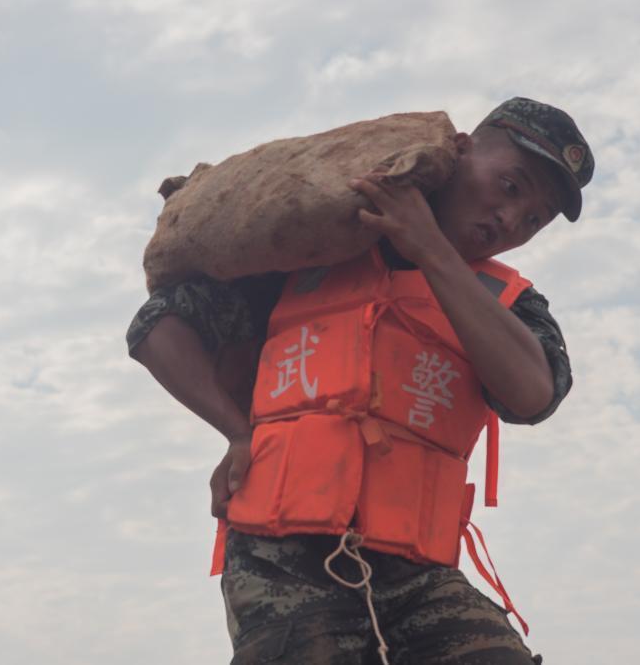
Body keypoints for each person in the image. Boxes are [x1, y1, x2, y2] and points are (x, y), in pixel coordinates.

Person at [127, 98, 594, 664]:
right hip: (284, 557)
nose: (510, 220)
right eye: (511, 187)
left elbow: (532, 396)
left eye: (533, 220)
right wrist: (237, 432)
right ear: (463, 150)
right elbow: (157, 328)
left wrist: (431, 249)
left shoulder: (511, 304)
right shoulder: (307, 261)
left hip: (417, 572)